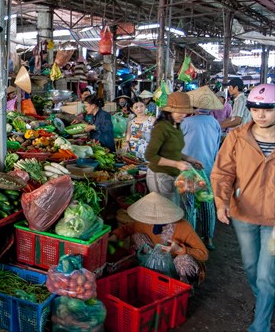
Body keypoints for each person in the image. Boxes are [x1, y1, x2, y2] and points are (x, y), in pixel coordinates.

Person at [211, 83, 274, 332]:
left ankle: (261, 325)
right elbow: (223, 172)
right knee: (250, 267)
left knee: (266, 274)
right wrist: (221, 201)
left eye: (268, 109)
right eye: (255, 108)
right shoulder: (237, 136)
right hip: (244, 214)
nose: (260, 114)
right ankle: (266, 300)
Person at [110, 192, 208, 283]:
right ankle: (150, 273)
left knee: (183, 260)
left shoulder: (183, 226)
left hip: (176, 263)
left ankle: (183, 288)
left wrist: (180, 249)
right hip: (158, 259)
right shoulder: (146, 222)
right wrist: (115, 235)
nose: (149, 221)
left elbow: (203, 254)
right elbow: (128, 228)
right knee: (137, 236)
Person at [145, 92, 202, 202]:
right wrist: (176, 164)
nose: (183, 115)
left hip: (172, 176)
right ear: (169, 110)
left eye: (184, 112)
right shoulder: (161, 127)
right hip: (160, 176)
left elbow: (171, 151)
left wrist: (189, 159)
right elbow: (150, 156)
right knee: (166, 214)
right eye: (179, 111)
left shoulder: (176, 126)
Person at [181, 104, 222, 250]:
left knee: (189, 205)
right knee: (207, 203)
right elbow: (217, 146)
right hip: (207, 167)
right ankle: (208, 238)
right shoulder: (215, 123)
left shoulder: (185, 123)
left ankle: (191, 240)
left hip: (189, 169)